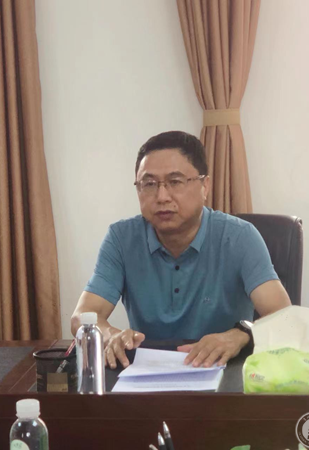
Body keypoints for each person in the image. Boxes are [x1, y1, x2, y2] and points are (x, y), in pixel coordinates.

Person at [71, 131, 291, 370]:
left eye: (175, 182)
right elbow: (82, 317)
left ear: (205, 186)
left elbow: (284, 318)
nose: (162, 197)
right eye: (149, 184)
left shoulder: (240, 237)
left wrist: (240, 334)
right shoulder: (122, 239)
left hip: (225, 373)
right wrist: (109, 335)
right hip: (148, 375)